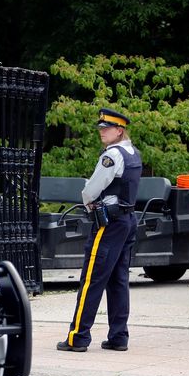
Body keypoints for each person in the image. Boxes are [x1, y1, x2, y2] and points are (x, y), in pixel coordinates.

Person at [57, 107, 142, 353]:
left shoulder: (112, 155)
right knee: (118, 280)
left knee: (91, 280)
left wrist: (87, 201)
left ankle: (78, 337)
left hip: (110, 223)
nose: (102, 132)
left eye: (107, 129)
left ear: (119, 130)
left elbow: (92, 189)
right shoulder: (133, 153)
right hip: (127, 221)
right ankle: (118, 336)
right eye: (101, 129)